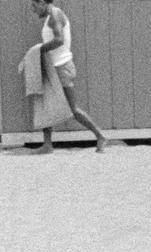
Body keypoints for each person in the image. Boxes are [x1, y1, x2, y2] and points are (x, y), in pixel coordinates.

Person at [30, 0, 106, 154]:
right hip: (53, 67)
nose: (33, 10)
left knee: (72, 109)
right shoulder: (49, 17)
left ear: (43, 3)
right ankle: (47, 145)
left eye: (34, 5)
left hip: (62, 67)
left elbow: (59, 40)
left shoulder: (55, 14)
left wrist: (39, 49)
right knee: (46, 105)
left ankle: (100, 135)